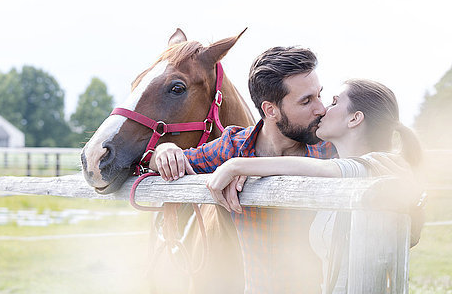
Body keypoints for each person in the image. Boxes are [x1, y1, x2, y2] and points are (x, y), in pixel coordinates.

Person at [206, 78, 424, 293]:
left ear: (355, 118)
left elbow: (319, 169)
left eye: (334, 102)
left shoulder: (377, 166)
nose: (322, 109)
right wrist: (170, 148)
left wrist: (237, 166)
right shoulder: (340, 171)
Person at [150, 46, 339, 293]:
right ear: (271, 110)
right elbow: (161, 163)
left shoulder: (331, 147)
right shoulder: (233, 147)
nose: (321, 109)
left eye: (319, 95)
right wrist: (163, 151)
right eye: (306, 101)